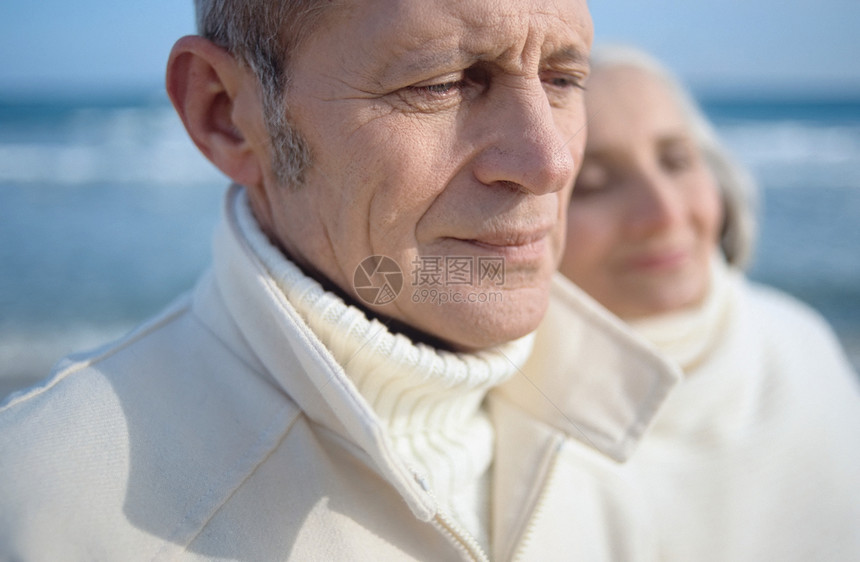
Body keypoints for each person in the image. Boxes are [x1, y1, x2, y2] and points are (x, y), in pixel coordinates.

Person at [0, 3, 684, 560]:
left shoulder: (652, 430)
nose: (552, 161)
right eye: (442, 82)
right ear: (226, 116)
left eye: (563, 78)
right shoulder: (43, 511)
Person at [557, 45, 860, 560]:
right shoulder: (504, 410)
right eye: (593, 184)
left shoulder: (800, 343)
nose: (664, 212)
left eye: (676, 161)